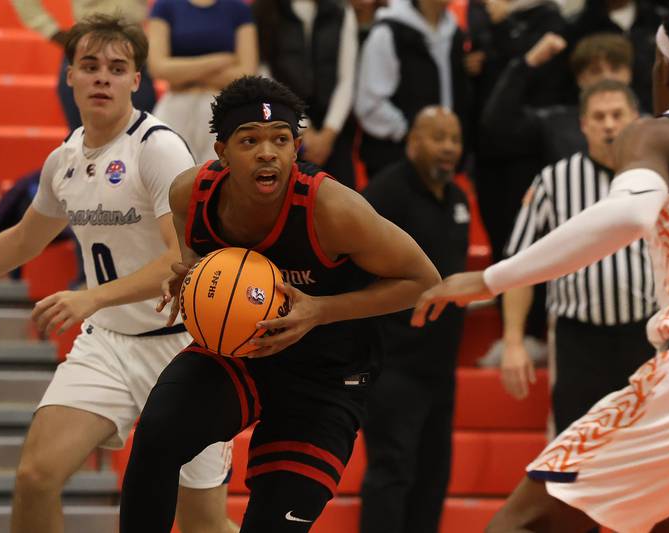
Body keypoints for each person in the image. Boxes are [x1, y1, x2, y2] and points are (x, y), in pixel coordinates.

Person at [0, 15, 236, 533]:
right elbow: (22, 240)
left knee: (202, 523)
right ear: (70, 76)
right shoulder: (63, 159)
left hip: (181, 347)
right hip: (109, 345)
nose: (102, 78)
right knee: (37, 476)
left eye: (116, 68)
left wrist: (91, 298)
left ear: (137, 80)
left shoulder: (158, 147)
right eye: (90, 66)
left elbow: (181, 259)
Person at [119, 75, 441, 532]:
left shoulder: (333, 209)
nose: (267, 151)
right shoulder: (190, 192)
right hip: (237, 354)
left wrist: (319, 310)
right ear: (221, 151)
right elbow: (193, 253)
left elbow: (422, 279)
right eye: (249, 140)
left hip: (326, 377)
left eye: (280, 139)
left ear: (296, 148)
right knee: (156, 435)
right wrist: (190, 277)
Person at [409, 24, 669, 533]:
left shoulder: (655, 132)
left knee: (523, 523)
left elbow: (626, 217)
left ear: (662, 68)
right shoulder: (558, 178)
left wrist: (488, 279)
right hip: (586, 339)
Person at [500, 80, 656, 437]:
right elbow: (519, 263)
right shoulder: (553, 181)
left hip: (643, 335)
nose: (609, 125)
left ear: (636, 118)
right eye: (598, 117)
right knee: (573, 450)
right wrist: (512, 341)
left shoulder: (660, 177)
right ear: (583, 124)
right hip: (577, 340)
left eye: (617, 115)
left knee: (642, 447)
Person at [359, 106, 468, 533]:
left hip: (441, 369)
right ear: (413, 142)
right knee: (392, 473)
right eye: (438, 137)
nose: (449, 148)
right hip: (393, 367)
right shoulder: (385, 195)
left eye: (455, 139)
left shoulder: (458, 198)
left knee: (432, 478)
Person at [478, 32, 634, 263]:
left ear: (629, 73)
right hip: (572, 253)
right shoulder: (556, 121)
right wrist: (527, 63)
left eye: (615, 68)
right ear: (580, 79)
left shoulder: (653, 126)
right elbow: (496, 126)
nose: (606, 77)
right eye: (595, 71)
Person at [354, 0, 470, 177]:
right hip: (394, 161)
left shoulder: (454, 34)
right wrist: (414, 135)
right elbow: (370, 103)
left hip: (441, 166)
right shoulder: (388, 32)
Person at [254, 0, 359, 188]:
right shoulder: (265, 10)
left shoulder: (340, 11)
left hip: (334, 129)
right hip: (285, 124)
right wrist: (304, 129)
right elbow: (264, 75)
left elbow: (347, 79)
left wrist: (329, 133)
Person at [11, 0, 157, 128]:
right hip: (86, 44)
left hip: (132, 44)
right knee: (83, 135)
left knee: (139, 134)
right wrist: (51, 31)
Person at [146, 0, 258, 164]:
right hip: (176, 105)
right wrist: (219, 60)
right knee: (169, 175)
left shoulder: (238, 8)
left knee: (219, 180)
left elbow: (247, 72)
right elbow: (157, 67)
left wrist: (182, 73)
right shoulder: (164, 5)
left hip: (223, 107)